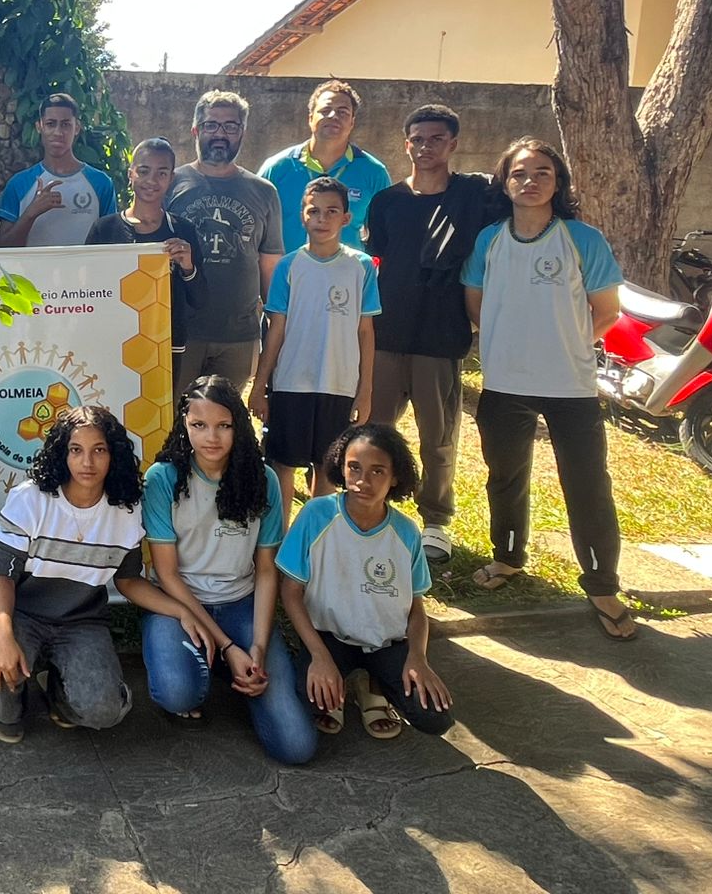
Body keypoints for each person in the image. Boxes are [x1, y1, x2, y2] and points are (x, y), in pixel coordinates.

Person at [461, 138, 636, 640]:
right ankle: (508, 556)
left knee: (587, 484)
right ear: (505, 184)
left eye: (542, 172)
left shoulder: (582, 239)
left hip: (570, 386)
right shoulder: (490, 240)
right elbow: (475, 301)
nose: (530, 181)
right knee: (506, 476)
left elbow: (607, 311)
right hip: (505, 382)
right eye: (519, 173)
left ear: (558, 183)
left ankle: (602, 584)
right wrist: (508, 342)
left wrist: (564, 346)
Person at [136, 377, 317, 764]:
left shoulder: (264, 480)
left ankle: (227, 667)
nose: (211, 437)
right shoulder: (163, 479)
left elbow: (266, 570)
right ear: (184, 425)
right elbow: (167, 575)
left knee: (297, 747)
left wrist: (259, 646)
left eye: (223, 425)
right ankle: (214, 662)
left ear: (239, 426)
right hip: (178, 606)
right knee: (177, 693)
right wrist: (229, 647)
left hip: (241, 603)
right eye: (199, 425)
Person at [0, 406, 147, 742]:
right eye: (76, 450)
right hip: (23, 613)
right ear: (62, 454)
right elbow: (2, 575)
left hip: (81, 621)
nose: (87, 462)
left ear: (115, 455)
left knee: (104, 711)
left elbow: (128, 580)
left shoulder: (126, 510)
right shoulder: (31, 499)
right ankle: (9, 701)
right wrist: (3, 636)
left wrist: (183, 611)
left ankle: (59, 692)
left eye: (99, 450)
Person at [366, 105, 495, 563]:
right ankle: (371, 507)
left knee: (437, 437)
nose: (426, 147)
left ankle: (436, 519)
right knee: (375, 430)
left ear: (453, 144)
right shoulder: (387, 202)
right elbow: (377, 260)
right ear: (406, 144)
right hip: (387, 335)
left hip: (441, 339)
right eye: (418, 139)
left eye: (436, 139)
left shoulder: (474, 195)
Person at [277, 424, 454, 739]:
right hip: (330, 639)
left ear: (395, 477)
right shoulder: (316, 515)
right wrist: (318, 655)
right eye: (354, 467)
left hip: (386, 643)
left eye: (377, 471)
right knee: (306, 700)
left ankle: (372, 686)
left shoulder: (406, 532)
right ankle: (339, 681)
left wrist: (418, 658)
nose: (362, 481)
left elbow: (416, 608)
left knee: (434, 717)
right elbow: (290, 592)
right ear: (341, 467)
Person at [251, 176, 380, 522]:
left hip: (339, 384)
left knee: (327, 465)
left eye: (331, 211)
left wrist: (365, 390)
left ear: (346, 218)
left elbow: (365, 332)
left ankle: (314, 535)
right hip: (292, 382)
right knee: (282, 463)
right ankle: (278, 537)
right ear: (302, 216)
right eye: (314, 211)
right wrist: (260, 385)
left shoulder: (361, 267)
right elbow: (276, 328)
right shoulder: (289, 266)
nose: (322, 219)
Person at [166, 91, 284, 391]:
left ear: (242, 132)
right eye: (211, 125)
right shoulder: (170, 184)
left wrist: (276, 329)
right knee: (176, 413)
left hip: (238, 337)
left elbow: (269, 266)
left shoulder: (264, 191)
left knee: (226, 414)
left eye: (231, 126)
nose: (220, 134)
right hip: (181, 332)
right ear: (196, 130)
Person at [86, 137, 205, 398]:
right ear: (131, 174)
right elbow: (90, 292)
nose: (151, 180)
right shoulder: (105, 229)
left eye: (161, 173)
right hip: (115, 344)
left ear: (171, 178)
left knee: (162, 414)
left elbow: (200, 298)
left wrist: (188, 266)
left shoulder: (182, 230)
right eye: (143, 171)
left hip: (167, 346)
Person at [257, 80, 391, 253]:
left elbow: (384, 237)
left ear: (352, 122)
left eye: (342, 112)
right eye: (325, 110)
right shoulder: (277, 168)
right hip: (286, 269)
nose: (333, 116)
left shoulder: (374, 173)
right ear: (310, 118)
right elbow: (255, 228)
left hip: (346, 271)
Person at [0, 93, 118, 247]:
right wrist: (31, 213)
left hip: (84, 264)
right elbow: (4, 248)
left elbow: (112, 245)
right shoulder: (19, 184)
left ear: (77, 128)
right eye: (51, 124)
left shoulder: (101, 183)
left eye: (65, 125)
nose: (58, 132)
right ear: (39, 127)